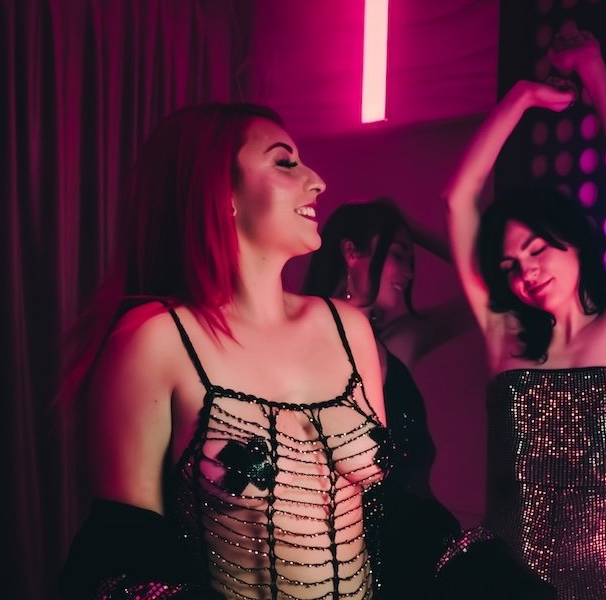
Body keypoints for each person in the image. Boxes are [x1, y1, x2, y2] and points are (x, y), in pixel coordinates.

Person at [57, 103, 391, 600]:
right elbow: (120, 556)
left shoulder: (349, 329)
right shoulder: (156, 340)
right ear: (221, 192)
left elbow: (390, 515)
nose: (317, 181)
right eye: (285, 162)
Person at [438, 27, 606, 599]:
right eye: (511, 265)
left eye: (537, 249)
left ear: (575, 243)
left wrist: (592, 69)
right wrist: (520, 98)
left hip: (598, 587)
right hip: (495, 581)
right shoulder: (504, 333)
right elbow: (459, 198)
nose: (527, 271)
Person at [302, 198, 470, 598]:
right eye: (397, 255)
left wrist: (412, 225)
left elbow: (482, 289)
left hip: (419, 550)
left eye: (410, 261)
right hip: (337, 558)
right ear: (351, 253)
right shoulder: (298, 338)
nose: (409, 274)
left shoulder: (397, 342)